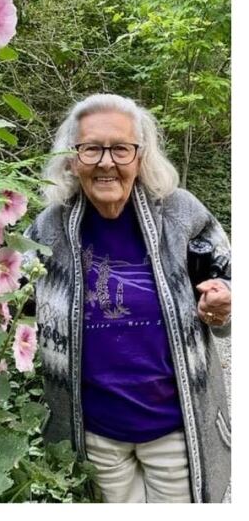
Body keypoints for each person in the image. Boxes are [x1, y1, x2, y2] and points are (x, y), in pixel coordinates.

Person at [25, 94, 231, 503]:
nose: (106, 162)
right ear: (71, 158)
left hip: (175, 427)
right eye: (91, 148)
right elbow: (12, 307)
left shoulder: (180, 214)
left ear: (141, 156)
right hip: (93, 433)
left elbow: (228, 281)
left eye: (121, 148)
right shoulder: (48, 228)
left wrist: (223, 305)